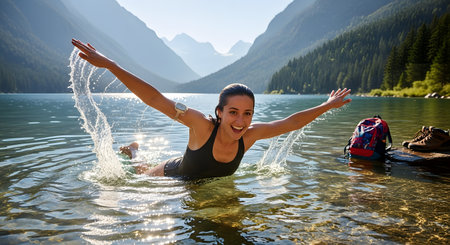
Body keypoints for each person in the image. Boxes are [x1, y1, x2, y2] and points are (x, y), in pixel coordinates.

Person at [71, 39, 352, 179]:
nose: (241, 121)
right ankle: (133, 150)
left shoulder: (250, 136)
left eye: (247, 113)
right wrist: (111, 65)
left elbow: (290, 122)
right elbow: (156, 99)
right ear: (219, 112)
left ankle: (134, 151)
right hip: (172, 177)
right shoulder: (200, 124)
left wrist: (326, 105)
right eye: (233, 112)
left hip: (196, 176)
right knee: (138, 173)